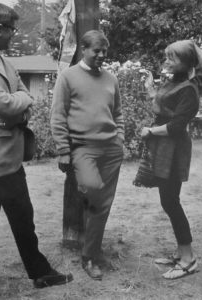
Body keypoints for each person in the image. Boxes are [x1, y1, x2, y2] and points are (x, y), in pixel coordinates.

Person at [0, 3, 73, 299]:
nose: (13, 35)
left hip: (11, 158)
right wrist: (16, 104)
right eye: (12, 30)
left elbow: (22, 97)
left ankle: (40, 273)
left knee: (24, 219)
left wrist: (17, 105)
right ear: (0, 29)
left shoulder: (2, 60)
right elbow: (8, 104)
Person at [50, 30, 124, 280]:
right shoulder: (68, 77)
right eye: (97, 51)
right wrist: (63, 150)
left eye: (105, 51)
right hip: (83, 149)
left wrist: (120, 138)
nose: (102, 55)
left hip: (111, 149)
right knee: (93, 197)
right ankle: (89, 255)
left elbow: (118, 113)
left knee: (103, 204)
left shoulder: (111, 79)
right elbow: (58, 115)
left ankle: (92, 253)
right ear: (84, 49)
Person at [141, 40, 202, 279]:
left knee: (171, 201)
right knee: (168, 200)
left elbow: (175, 125)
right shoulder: (174, 82)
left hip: (175, 148)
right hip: (165, 147)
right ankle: (181, 252)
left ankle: (188, 258)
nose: (167, 61)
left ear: (186, 63)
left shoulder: (190, 89)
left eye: (172, 58)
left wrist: (150, 131)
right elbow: (162, 107)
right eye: (167, 56)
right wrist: (152, 90)